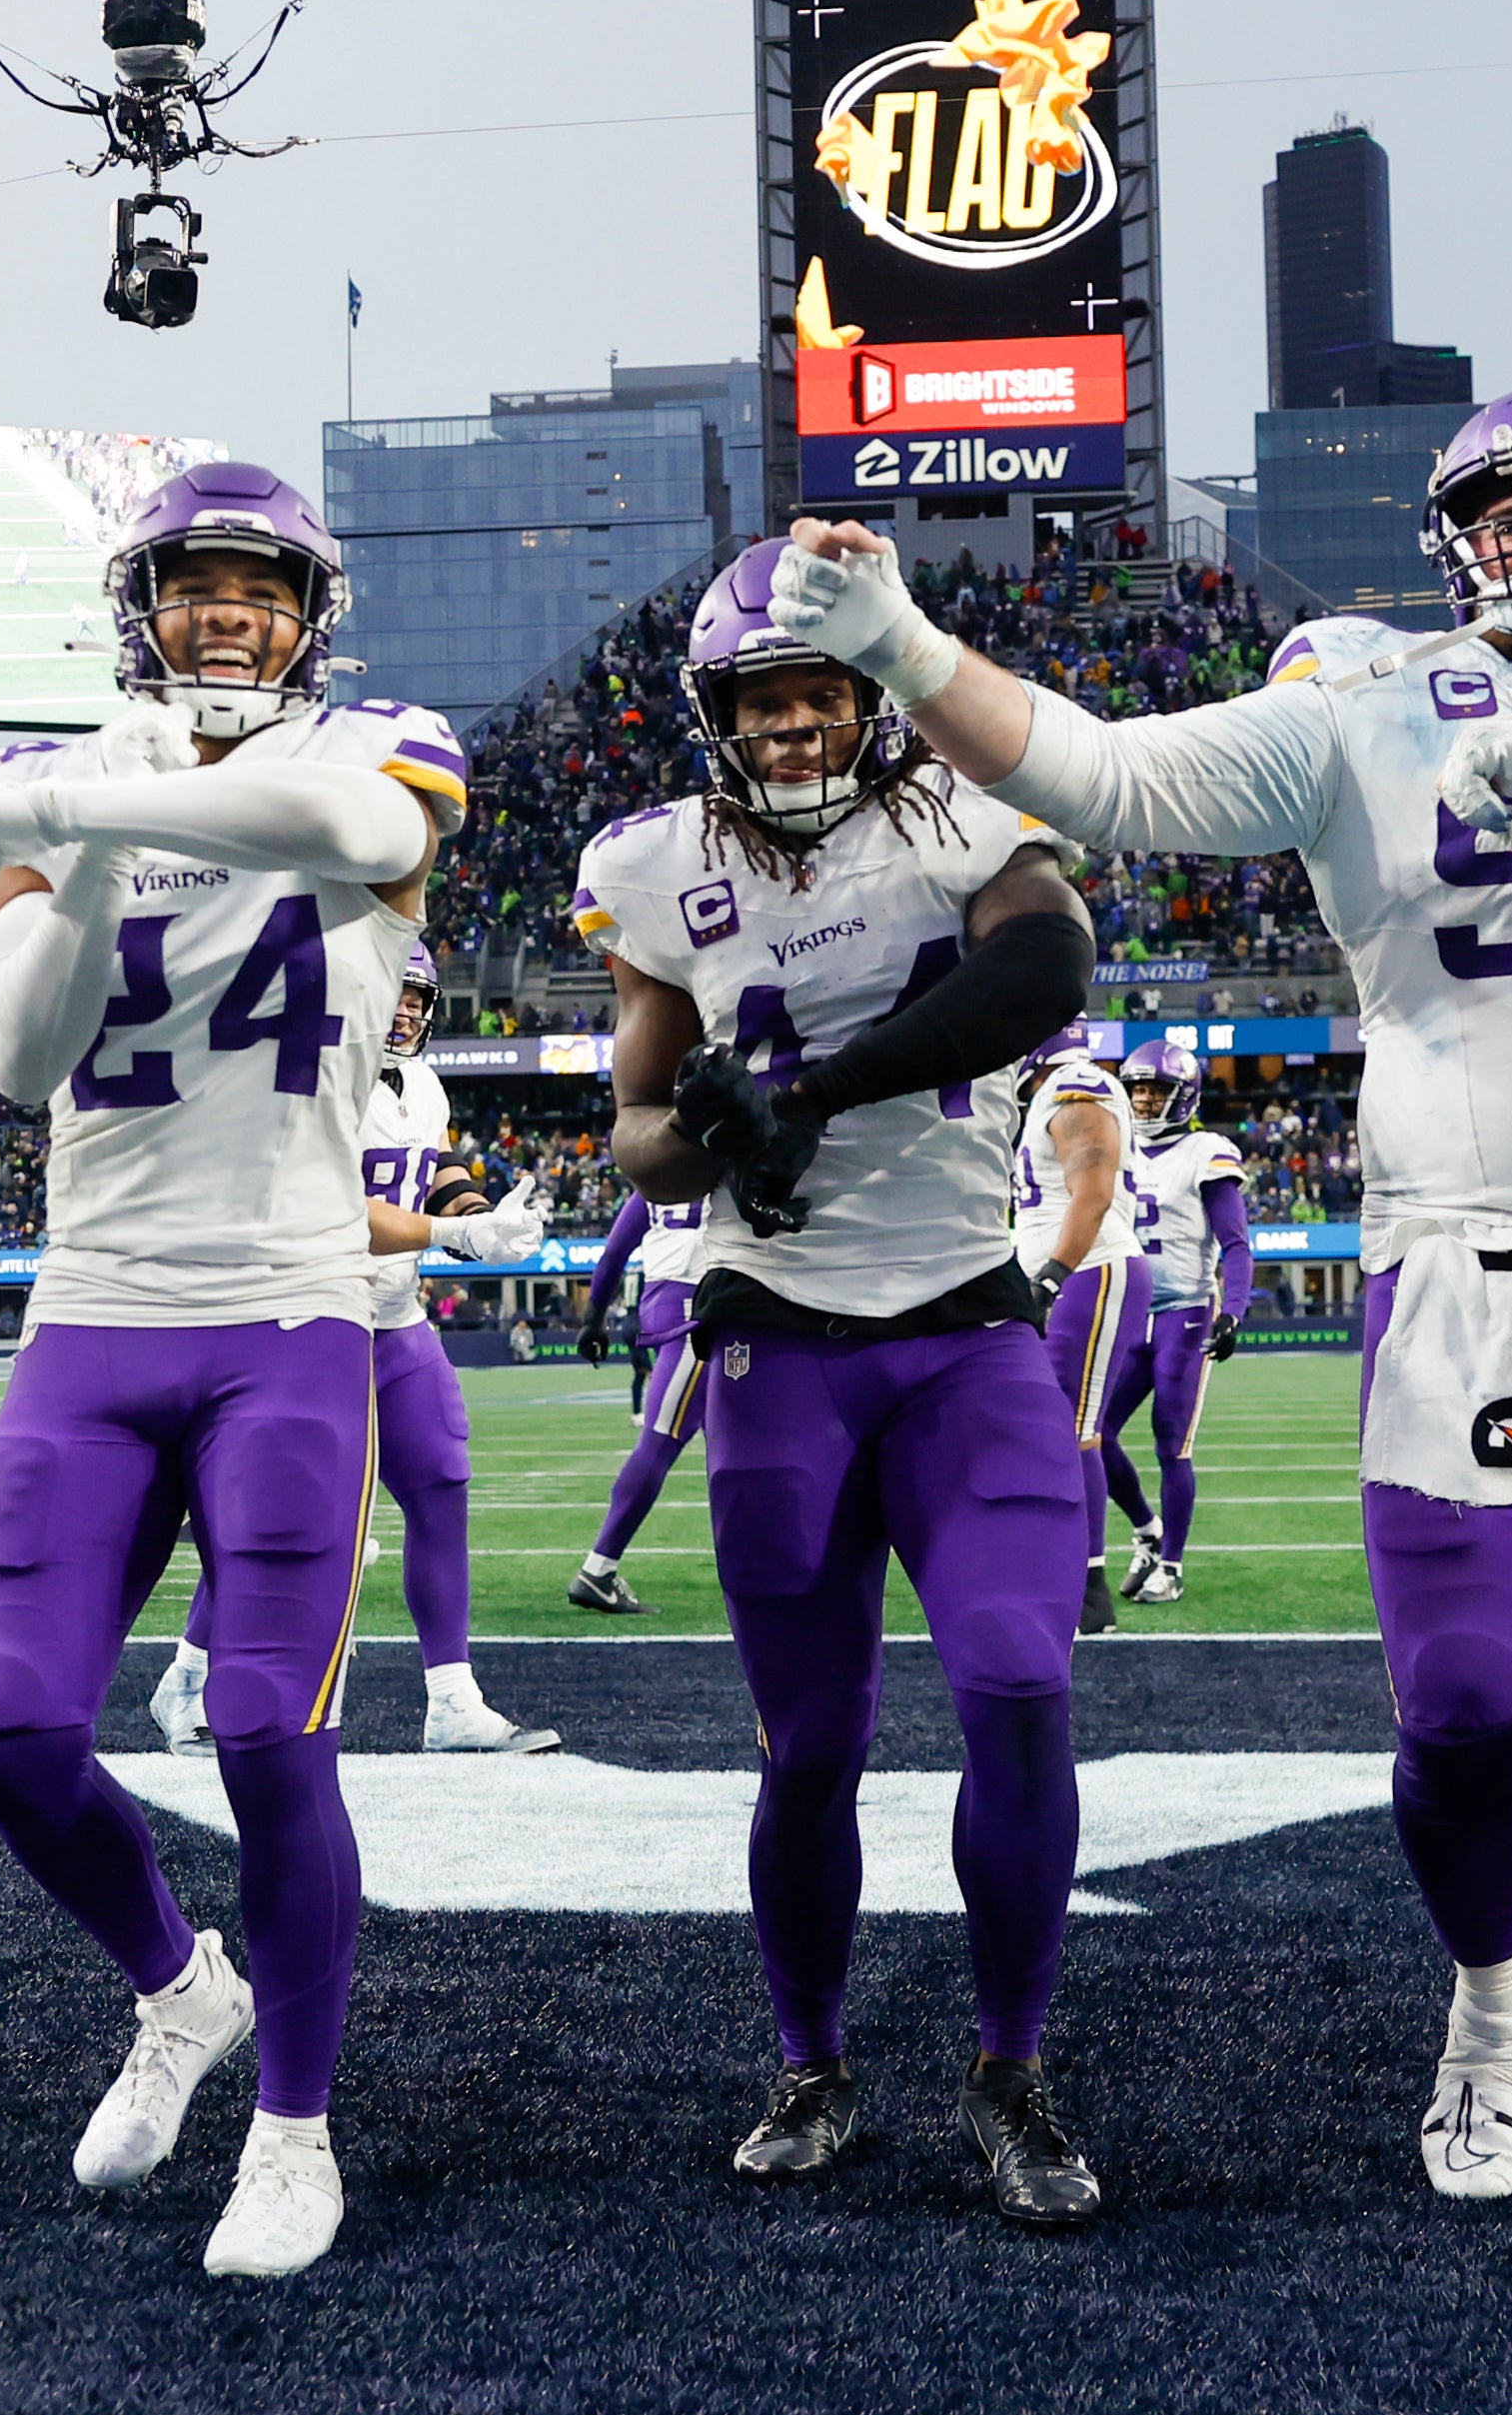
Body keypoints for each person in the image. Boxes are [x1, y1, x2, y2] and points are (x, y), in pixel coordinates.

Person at [763, 386, 1512, 2276]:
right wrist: (895, 638)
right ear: (1458, 537)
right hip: (1458, 1264)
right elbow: (1105, 777)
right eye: (1510, 513)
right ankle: (1496, 1990)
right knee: (1460, 1716)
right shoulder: (1360, 701)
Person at [0, 460, 478, 2280]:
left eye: (255, 586)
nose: (222, 613)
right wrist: (81, 835)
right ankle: (180, 1986)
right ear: (139, 607)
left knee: (265, 1727)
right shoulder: (68, 787)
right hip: (95, 1308)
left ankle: (297, 2131)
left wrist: (96, 791)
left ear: (310, 611)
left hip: (293, 1306)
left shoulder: (380, 739)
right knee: (9, 1737)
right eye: (191, 587)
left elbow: (371, 840)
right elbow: (15, 1052)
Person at [575, 540, 1104, 2227]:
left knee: (1018, 1689)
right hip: (777, 1340)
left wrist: (826, 1093)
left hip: (963, 1328)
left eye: (819, 691)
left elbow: (1046, 974)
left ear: (868, 697)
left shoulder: (956, 806)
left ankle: (1008, 2067)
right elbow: (640, 1133)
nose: (795, 722)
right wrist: (711, 1127)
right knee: (811, 1747)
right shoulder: (651, 870)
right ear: (716, 711)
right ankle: (809, 2060)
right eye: (764, 697)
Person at [151, 949, 558, 1756]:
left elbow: (429, 1166)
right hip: (313, 1319)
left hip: (396, 1317)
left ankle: (452, 1697)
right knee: (284, 1512)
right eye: (392, 994)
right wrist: (452, 1233)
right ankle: (187, 1680)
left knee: (442, 1480)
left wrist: (480, 1212)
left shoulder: (424, 1083)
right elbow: (343, 1206)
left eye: (418, 996)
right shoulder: (316, 1077)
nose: (405, 1010)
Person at [1010, 1036, 1153, 1637]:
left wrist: (1051, 1276)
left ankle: (1089, 1588)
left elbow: (1092, 1192)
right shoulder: (1049, 1094)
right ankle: (1054, 1564)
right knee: (1044, 1427)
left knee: (1075, 1429)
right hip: (1068, 1269)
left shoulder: (1077, 1086)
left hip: (1088, 1268)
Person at [1109, 1035, 1251, 1604]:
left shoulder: (1206, 1152)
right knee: (1086, 1434)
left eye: (1156, 1090)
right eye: (1137, 1089)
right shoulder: (1111, 1145)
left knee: (1172, 1445)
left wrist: (1234, 1310)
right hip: (1122, 1311)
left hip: (1183, 1312)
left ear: (1184, 1095)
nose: (1143, 1100)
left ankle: (1170, 1565)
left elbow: (1236, 1244)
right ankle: (1147, 1530)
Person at [564, 1184, 710, 1615]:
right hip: (699, 1313)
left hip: (677, 1308)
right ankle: (598, 1568)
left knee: (744, 1437)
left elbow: (613, 1254)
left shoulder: (658, 1175)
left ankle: (771, 1558)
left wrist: (593, 1322)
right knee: (660, 1440)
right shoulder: (726, 1168)